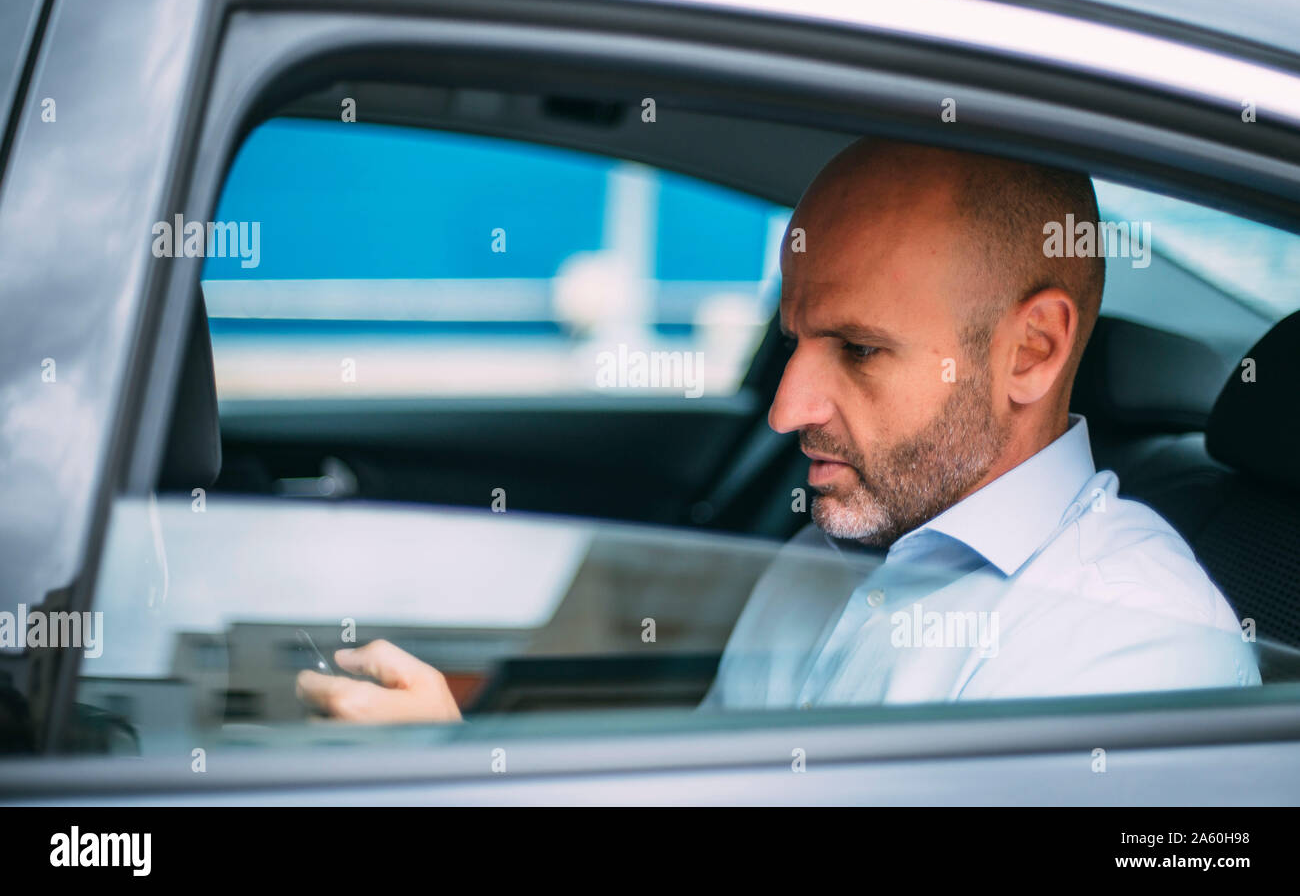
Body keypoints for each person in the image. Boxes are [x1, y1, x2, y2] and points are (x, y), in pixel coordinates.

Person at [297, 138, 1258, 722]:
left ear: (1031, 352)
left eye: (858, 348)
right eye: (796, 337)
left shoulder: (1134, 653)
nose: (785, 407)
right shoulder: (824, 560)